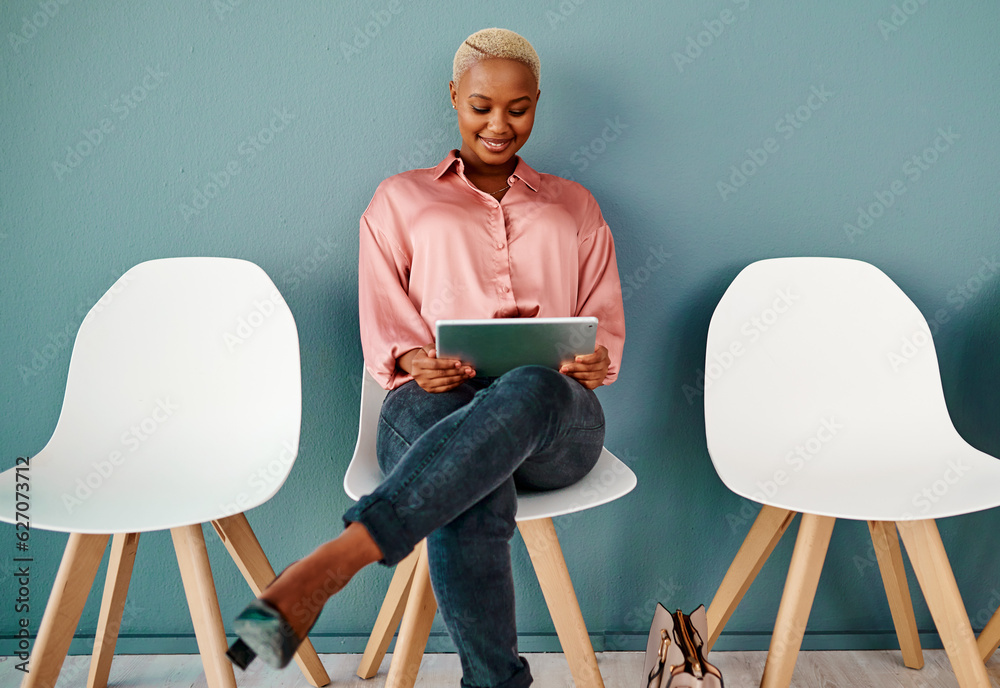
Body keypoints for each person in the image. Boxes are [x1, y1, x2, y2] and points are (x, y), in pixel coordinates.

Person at [227, 27, 625, 688]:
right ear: (453, 97)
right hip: (431, 404)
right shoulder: (400, 198)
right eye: (481, 106)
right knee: (469, 479)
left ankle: (342, 557)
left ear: (536, 103)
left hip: (554, 419)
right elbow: (384, 319)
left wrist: (591, 362)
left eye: (518, 108)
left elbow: (602, 326)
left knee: (528, 387)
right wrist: (414, 358)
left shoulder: (575, 204)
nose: (500, 124)